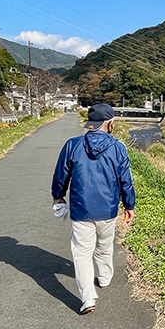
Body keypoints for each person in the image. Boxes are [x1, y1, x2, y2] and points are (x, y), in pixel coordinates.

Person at [51, 103, 135, 314]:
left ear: (91, 123)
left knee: (81, 252)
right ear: (109, 124)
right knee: (105, 245)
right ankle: (105, 278)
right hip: (107, 209)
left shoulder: (73, 145)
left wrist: (58, 197)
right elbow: (126, 181)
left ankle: (88, 298)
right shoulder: (118, 147)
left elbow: (61, 175)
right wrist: (129, 205)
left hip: (81, 209)